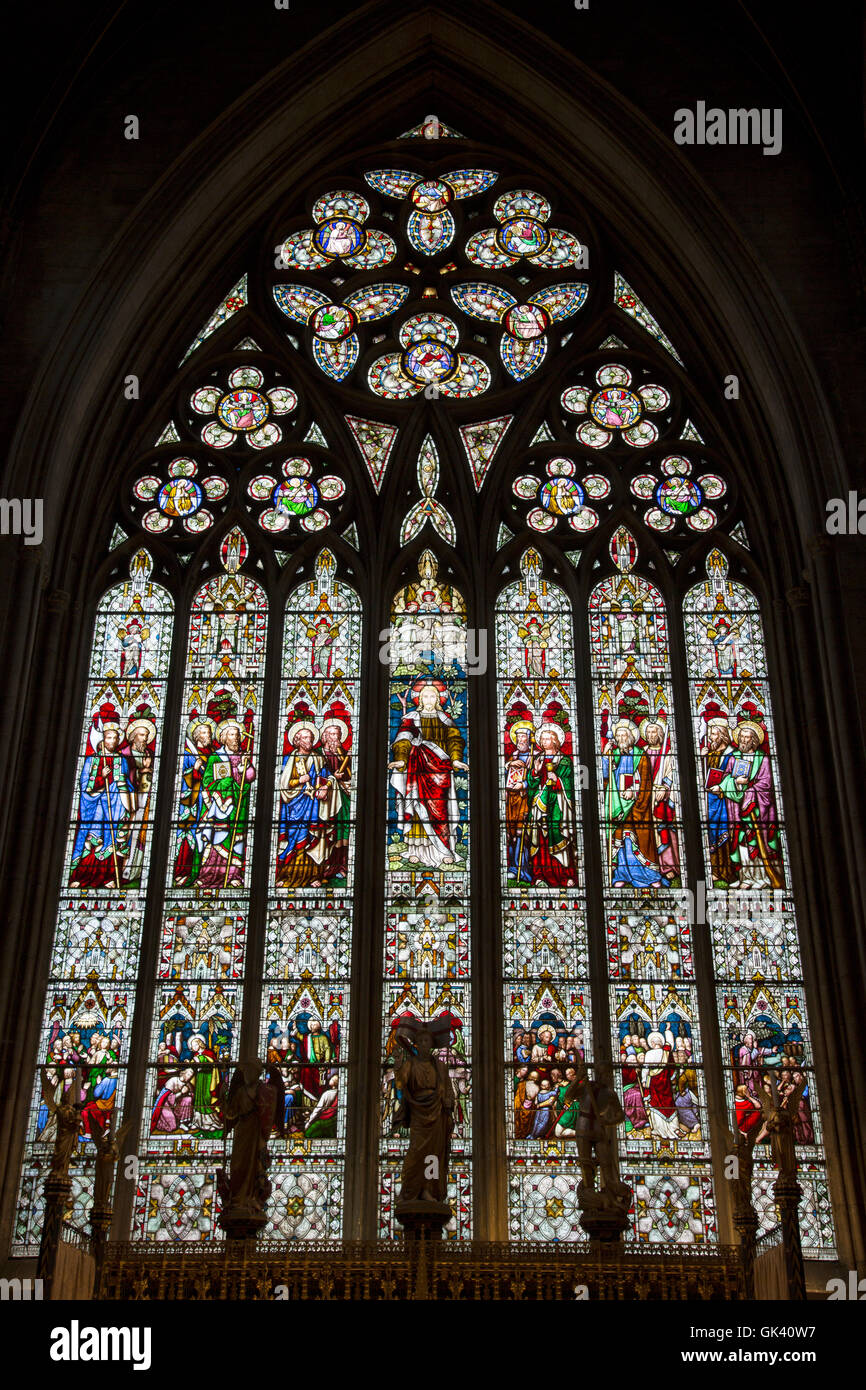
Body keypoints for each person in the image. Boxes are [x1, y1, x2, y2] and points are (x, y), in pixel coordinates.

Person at [388, 681, 467, 868]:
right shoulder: (412, 717)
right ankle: (416, 850)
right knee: (416, 806)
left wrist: (455, 760)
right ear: (420, 699)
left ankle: (443, 850)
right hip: (418, 768)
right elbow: (403, 738)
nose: (429, 699)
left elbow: (455, 739)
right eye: (425, 696)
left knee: (441, 810)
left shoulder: (445, 719)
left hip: (441, 770)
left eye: (432, 696)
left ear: (438, 699)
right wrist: (401, 759)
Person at [601, 719, 666, 889]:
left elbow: (646, 781)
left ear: (631, 737)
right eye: (618, 736)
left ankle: (648, 876)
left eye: (624, 735)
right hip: (617, 803)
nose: (621, 739)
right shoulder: (614, 754)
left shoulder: (640, 755)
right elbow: (604, 775)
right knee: (621, 841)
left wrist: (634, 792)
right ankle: (622, 874)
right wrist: (605, 756)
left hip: (636, 805)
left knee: (637, 840)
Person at [70, 723, 134, 887]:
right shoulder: (92, 760)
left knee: (113, 839)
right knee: (93, 839)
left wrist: (126, 798)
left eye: (115, 738)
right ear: (103, 740)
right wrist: (101, 777)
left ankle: (110, 877)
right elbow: (84, 786)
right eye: (109, 738)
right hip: (95, 807)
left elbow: (127, 782)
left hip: (116, 805)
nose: (112, 741)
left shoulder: (121, 760)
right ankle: (82, 875)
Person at [525, 724, 577, 887]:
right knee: (539, 839)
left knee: (559, 835)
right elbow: (531, 783)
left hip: (558, 806)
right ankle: (540, 875)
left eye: (547, 738)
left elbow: (572, 784)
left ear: (555, 741)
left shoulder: (565, 761)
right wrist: (534, 772)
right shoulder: (537, 759)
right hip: (539, 805)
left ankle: (566, 876)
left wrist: (558, 780)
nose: (544, 741)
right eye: (542, 738)